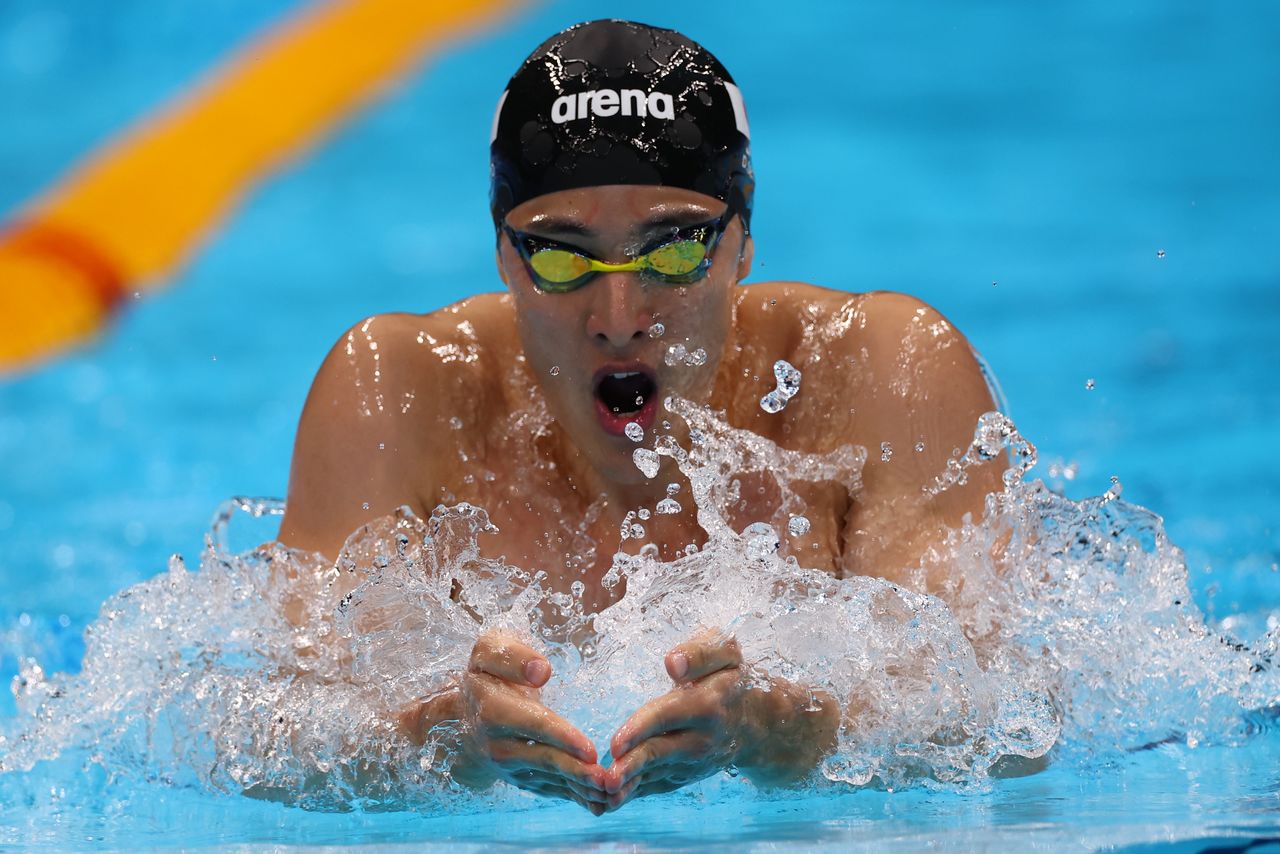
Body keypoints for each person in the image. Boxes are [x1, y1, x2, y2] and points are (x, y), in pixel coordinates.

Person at [277, 19, 1005, 814]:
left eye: (673, 249)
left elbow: (1005, 721)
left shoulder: (877, 373)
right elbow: (271, 737)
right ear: (503, 258)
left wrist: (785, 732)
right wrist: (444, 736)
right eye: (561, 255)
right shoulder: (401, 392)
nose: (619, 314)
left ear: (743, 242)